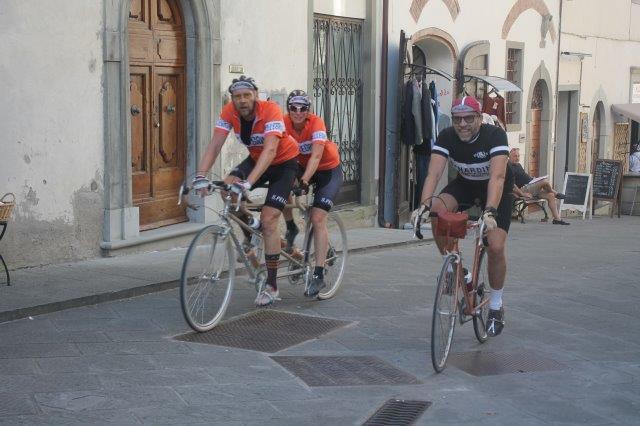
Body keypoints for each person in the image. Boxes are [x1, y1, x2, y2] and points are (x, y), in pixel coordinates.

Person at [194, 76, 299, 306]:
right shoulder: (229, 111)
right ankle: (251, 229)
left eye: (246, 95)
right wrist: (200, 176)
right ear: (232, 98)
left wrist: (248, 184)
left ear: (255, 95)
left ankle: (271, 286)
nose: (242, 100)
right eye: (237, 96)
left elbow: (270, 150)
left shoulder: (270, 110)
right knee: (227, 189)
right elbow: (215, 144)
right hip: (256, 159)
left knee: (269, 220)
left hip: (283, 163)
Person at [413, 96, 513, 337]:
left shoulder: (494, 135)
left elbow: (497, 177)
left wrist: (490, 210)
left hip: (495, 189)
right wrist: (423, 206)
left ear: (479, 118)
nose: (463, 124)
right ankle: (455, 267)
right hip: (465, 185)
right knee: (437, 209)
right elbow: (433, 174)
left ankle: (496, 305)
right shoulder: (447, 136)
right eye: (457, 119)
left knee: (495, 245)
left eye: (469, 118)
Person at [282, 90, 343, 297]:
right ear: (288, 109)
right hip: (301, 167)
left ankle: (318, 275)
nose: (298, 112)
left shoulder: (316, 123)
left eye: (303, 108)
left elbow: (316, 156)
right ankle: (291, 226)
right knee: (281, 187)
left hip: (327, 171)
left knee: (317, 218)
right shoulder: (283, 123)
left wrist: (305, 181)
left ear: (309, 110)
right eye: (294, 108)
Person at [509, 148, 569, 225]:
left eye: (518, 156)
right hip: (523, 189)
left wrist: (534, 179)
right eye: (515, 156)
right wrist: (522, 194)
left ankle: (557, 219)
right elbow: (512, 185)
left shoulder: (518, 165)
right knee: (545, 182)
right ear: (509, 156)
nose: (517, 158)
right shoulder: (508, 167)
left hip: (531, 187)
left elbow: (524, 177)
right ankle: (556, 193)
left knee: (550, 195)